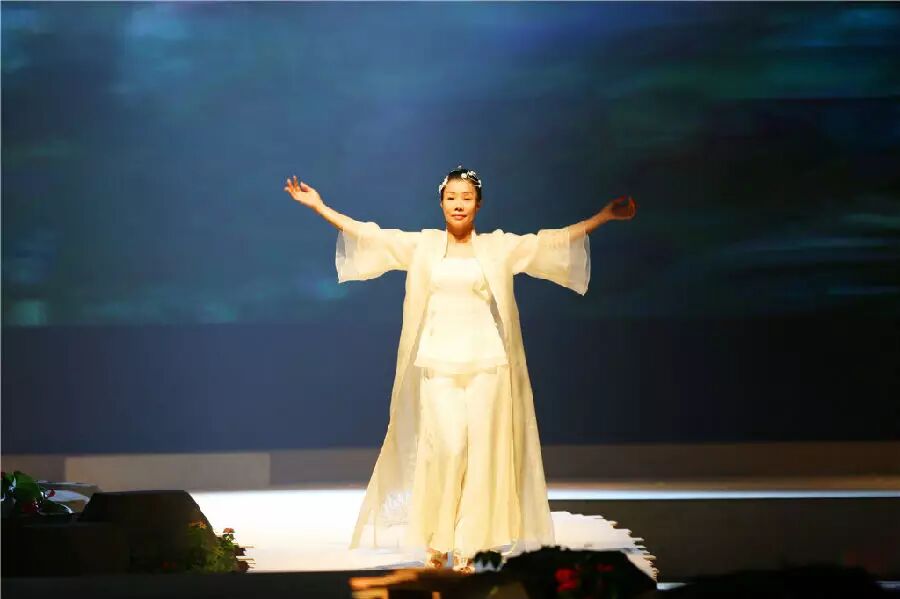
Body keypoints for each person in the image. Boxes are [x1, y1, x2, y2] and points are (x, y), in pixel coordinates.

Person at [284, 166, 636, 573]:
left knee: (481, 451)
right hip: (437, 361)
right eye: (451, 197)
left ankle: (468, 545)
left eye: (466, 197)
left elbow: (549, 243)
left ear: (478, 204)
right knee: (446, 447)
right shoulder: (423, 246)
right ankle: (437, 537)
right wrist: (320, 207)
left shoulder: (497, 248)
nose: (458, 204)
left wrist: (603, 217)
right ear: (441, 203)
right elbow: (370, 235)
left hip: (488, 364)